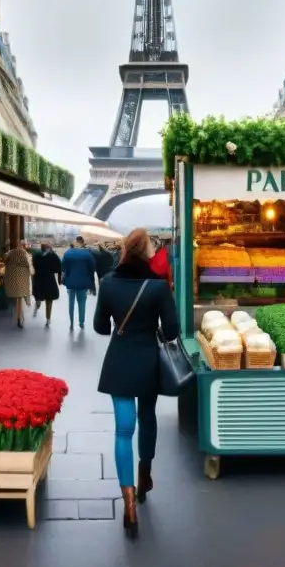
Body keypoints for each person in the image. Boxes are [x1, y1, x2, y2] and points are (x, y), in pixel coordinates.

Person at [94, 227, 179, 539]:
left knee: (122, 429)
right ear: (147, 253)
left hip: (118, 362)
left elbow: (100, 327)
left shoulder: (107, 284)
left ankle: (128, 501)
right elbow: (171, 332)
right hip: (148, 362)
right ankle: (145, 476)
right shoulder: (157, 287)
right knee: (147, 419)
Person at [61, 236, 96, 330]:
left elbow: (62, 266)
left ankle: (71, 323)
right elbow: (93, 268)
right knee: (82, 303)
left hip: (70, 283)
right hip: (83, 282)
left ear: (75, 242)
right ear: (82, 243)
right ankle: (81, 323)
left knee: (71, 303)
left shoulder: (67, 253)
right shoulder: (87, 254)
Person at [3, 240, 33, 329]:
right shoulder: (27, 255)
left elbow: (5, 260)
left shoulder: (11, 253)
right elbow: (30, 268)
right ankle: (20, 317)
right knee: (20, 298)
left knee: (17, 298)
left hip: (12, 279)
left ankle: (19, 316)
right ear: (24, 246)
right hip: (23, 280)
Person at [31, 243, 62, 327]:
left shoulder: (36, 255)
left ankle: (37, 307)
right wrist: (59, 278)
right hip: (49, 279)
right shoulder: (53, 255)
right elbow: (59, 266)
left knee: (39, 296)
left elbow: (33, 265)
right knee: (49, 300)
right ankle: (48, 319)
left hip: (38, 279)